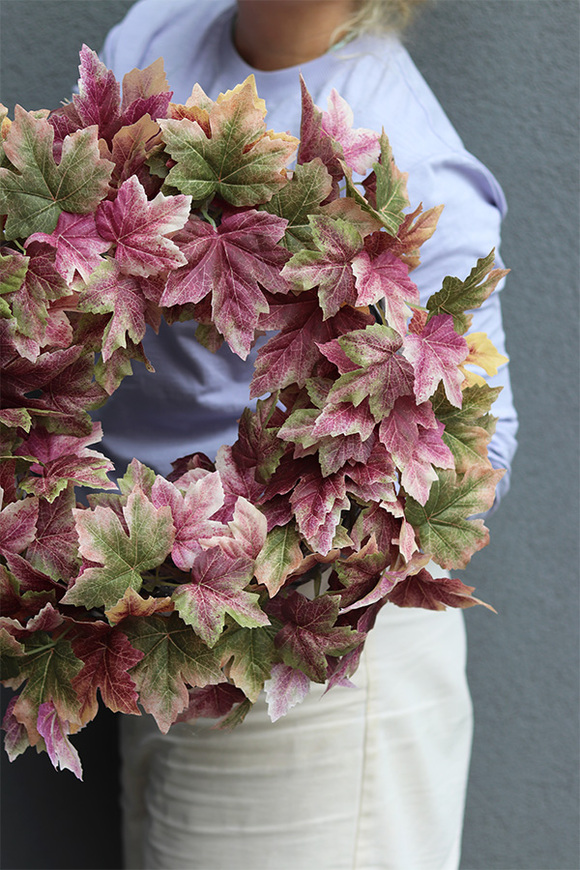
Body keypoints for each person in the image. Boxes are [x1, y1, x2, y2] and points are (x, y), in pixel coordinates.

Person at [95, 2, 519, 868]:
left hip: (309, 683)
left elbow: (481, 455)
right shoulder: (154, 37)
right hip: (160, 631)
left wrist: (272, 559)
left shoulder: (396, 145)